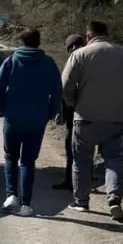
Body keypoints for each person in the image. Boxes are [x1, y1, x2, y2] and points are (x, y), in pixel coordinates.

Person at [60, 20, 123, 223]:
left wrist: (74, 103)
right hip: (115, 117)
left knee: (82, 160)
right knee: (113, 159)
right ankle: (114, 198)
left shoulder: (79, 54)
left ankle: (81, 201)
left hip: (85, 117)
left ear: (88, 36)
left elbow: (65, 85)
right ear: (107, 33)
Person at [0, 28, 62, 216]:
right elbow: (57, 93)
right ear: (39, 42)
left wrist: (2, 107)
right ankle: (25, 205)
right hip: (37, 120)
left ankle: (10, 195)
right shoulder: (48, 63)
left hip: (13, 119)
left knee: (10, 157)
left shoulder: (12, 61)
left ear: (22, 42)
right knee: (28, 162)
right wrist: (49, 113)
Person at [52, 33, 85, 191]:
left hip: (76, 114)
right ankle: (82, 180)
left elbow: (66, 89)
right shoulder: (92, 58)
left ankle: (71, 182)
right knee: (86, 150)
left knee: (72, 148)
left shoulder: (75, 60)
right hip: (95, 112)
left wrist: (62, 111)